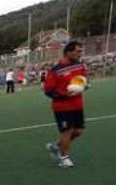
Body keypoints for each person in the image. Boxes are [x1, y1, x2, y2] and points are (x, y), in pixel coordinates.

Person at [43, 41, 88, 169]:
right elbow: (48, 90)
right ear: (68, 52)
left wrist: (84, 86)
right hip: (62, 106)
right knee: (67, 131)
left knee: (78, 131)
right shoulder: (55, 70)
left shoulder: (80, 65)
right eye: (78, 51)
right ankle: (64, 158)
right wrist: (64, 94)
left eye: (81, 51)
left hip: (78, 104)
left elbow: (84, 80)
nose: (80, 53)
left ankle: (56, 146)